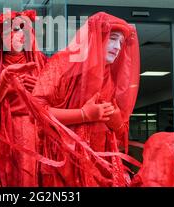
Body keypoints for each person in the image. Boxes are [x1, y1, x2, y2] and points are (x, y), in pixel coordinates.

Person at [33, 12, 140, 186]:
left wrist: (116, 121)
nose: (118, 47)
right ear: (95, 37)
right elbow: (37, 110)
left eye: (120, 42)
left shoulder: (111, 78)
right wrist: (83, 114)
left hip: (100, 166)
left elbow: (120, 134)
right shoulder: (62, 64)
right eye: (113, 39)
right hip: (63, 163)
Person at [0, 10, 47, 186]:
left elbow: (54, 98)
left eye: (23, 29)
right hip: (1, 133)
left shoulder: (40, 64)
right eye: (13, 30)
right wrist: (5, 88)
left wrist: (40, 90)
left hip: (33, 131)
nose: (20, 35)